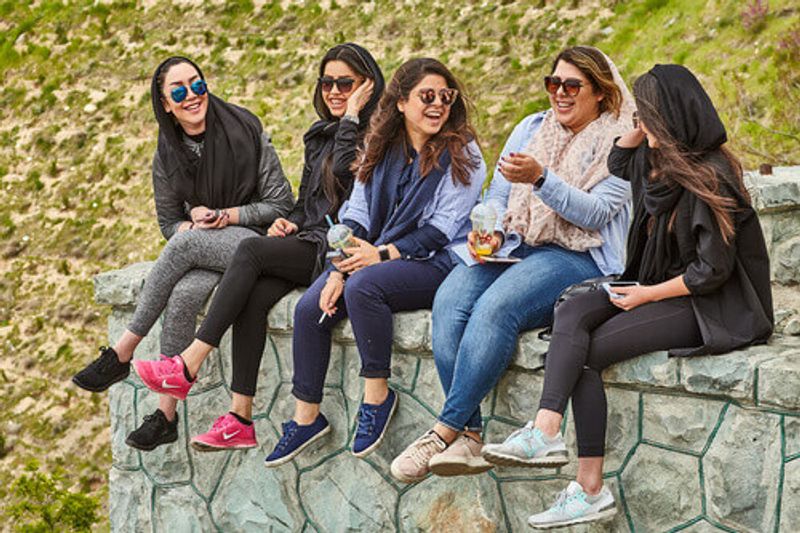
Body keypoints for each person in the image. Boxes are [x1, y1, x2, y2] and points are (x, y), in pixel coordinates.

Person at [481, 64, 774, 529]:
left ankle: (589, 488)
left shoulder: (712, 176)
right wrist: (640, 131)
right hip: (653, 283)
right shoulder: (655, 163)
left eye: (647, 111)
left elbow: (711, 271)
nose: (636, 118)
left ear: (671, 116)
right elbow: (619, 162)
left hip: (704, 302)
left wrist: (645, 296)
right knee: (573, 308)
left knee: (588, 351)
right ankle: (547, 431)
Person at [390, 46, 635, 483]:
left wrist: (542, 179)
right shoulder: (531, 128)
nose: (559, 93)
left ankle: (443, 431)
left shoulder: (620, 143)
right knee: (450, 298)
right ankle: (470, 435)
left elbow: (597, 213)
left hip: (580, 257)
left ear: (600, 92)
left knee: (496, 308)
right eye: (553, 83)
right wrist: (494, 231)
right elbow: (499, 192)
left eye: (572, 85)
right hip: (519, 244)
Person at [129, 44, 384, 451]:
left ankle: (187, 363)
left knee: (250, 251)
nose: (335, 91)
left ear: (367, 88)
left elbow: (346, 175)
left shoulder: (377, 136)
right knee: (252, 296)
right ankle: (240, 418)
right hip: (311, 239)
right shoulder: (320, 136)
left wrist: (353, 116)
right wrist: (291, 221)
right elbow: (306, 203)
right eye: (328, 83)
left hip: (342, 250)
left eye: (346, 84)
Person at [261, 57, 486, 467]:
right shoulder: (380, 147)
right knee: (312, 306)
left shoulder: (462, 154)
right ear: (401, 102)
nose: (438, 105)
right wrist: (336, 268)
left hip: (439, 262)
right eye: (427, 96)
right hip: (377, 251)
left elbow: (439, 231)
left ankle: (377, 397)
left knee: (367, 285)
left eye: (446, 97)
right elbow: (356, 214)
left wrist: (376, 257)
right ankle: (306, 417)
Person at [72, 56, 294, 450]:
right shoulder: (168, 153)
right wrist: (190, 224)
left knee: (186, 244)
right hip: (210, 248)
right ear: (167, 106)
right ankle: (165, 417)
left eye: (197, 84)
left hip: (259, 241)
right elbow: (168, 224)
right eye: (179, 91)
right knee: (183, 294)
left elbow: (281, 203)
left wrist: (224, 216)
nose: (191, 95)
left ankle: (121, 353)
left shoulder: (246, 127)